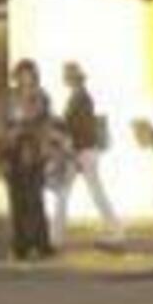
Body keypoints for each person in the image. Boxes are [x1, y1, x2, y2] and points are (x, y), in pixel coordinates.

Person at [47, 61, 124, 248]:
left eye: (67, 75)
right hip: (83, 151)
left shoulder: (80, 98)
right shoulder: (79, 96)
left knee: (76, 192)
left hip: (81, 152)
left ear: (73, 78)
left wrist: (66, 139)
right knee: (70, 192)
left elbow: (79, 126)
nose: (64, 78)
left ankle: (57, 237)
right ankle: (56, 236)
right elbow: (76, 124)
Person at [0, 59, 58, 261]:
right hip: (13, 153)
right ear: (17, 77)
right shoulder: (6, 99)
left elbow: (47, 124)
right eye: (22, 76)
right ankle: (20, 245)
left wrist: (48, 149)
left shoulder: (42, 98)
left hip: (35, 153)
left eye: (30, 76)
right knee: (17, 201)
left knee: (35, 200)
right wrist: (8, 135)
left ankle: (41, 244)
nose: (27, 80)